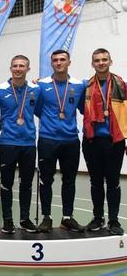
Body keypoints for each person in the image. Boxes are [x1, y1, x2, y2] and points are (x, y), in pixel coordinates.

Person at [35, 50, 85, 232]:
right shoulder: (41, 85)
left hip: (71, 140)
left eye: (62, 60)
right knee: (46, 180)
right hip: (48, 139)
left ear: (69, 62)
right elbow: (37, 109)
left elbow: (83, 108)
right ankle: (46, 217)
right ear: (51, 63)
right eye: (55, 60)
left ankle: (67, 217)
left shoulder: (79, 85)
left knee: (69, 180)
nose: (58, 63)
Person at [82, 48, 126, 235]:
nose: (101, 63)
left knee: (114, 181)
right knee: (96, 182)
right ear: (93, 64)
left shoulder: (121, 85)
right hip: (92, 141)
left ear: (110, 61)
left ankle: (114, 220)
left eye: (104, 59)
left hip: (114, 141)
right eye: (97, 60)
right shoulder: (86, 86)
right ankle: (98, 218)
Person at [0, 55, 40, 233]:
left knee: (26, 183)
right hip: (7, 143)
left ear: (28, 69)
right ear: (10, 68)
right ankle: (7, 220)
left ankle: (25, 218)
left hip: (28, 143)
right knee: (6, 184)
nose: (18, 68)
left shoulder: (36, 89)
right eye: (15, 65)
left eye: (22, 66)